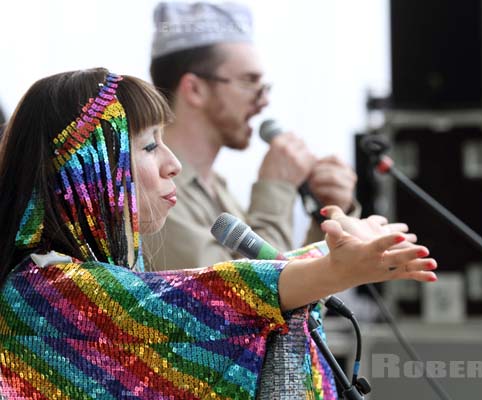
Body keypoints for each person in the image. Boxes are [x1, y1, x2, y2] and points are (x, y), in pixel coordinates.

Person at [0, 68, 436, 399]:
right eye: (150, 145)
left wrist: (332, 254)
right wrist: (331, 266)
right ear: (89, 168)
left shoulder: (70, 282)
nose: (172, 163)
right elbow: (201, 296)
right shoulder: (43, 291)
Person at [144, 1, 361, 270]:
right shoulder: (151, 192)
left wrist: (327, 219)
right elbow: (243, 301)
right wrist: (276, 188)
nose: (263, 101)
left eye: (264, 86)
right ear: (195, 89)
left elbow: (295, 299)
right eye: (249, 81)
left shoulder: (217, 189)